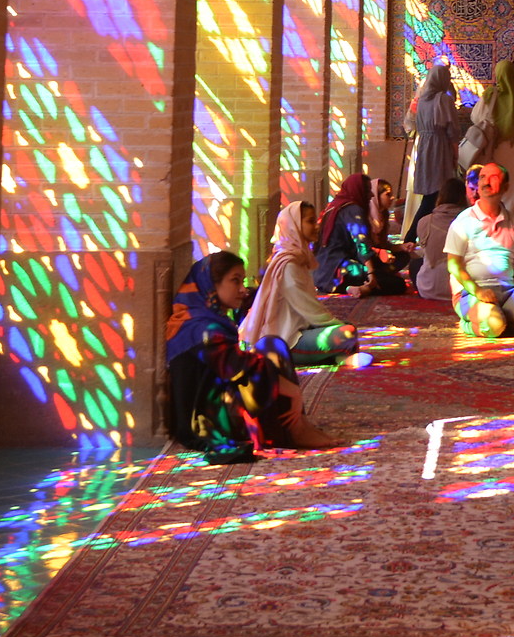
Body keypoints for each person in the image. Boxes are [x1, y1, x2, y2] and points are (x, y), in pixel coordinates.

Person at [165, 251, 344, 462]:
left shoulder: (202, 317)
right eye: (234, 281)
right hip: (213, 417)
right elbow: (238, 369)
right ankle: (295, 429)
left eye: (242, 280)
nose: (242, 289)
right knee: (269, 353)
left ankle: (297, 426)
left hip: (224, 401)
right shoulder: (200, 329)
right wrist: (292, 390)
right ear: (212, 285)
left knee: (271, 344)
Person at [239, 201, 359, 363]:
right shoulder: (288, 264)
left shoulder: (297, 257)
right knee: (346, 332)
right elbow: (310, 308)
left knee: (345, 328)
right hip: (284, 340)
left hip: (298, 329)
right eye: (310, 221)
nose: (316, 226)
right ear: (293, 225)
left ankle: (336, 356)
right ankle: (334, 357)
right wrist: (336, 325)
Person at [445, 162, 514, 337]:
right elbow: (453, 265)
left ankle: (501, 322)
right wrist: (477, 290)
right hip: (472, 292)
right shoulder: (464, 221)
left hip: (508, 291)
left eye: (493, 178)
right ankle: (469, 324)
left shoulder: (513, 221)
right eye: (482, 177)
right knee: (493, 325)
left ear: (505, 187)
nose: (486, 182)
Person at [316, 172, 404, 295]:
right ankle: (360, 287)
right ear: (358, 190)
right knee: (397, 284)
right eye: (368, 190)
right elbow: (361, 243)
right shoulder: (354, 210)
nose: (371, 194)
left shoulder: (333, 206)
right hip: (340, 268)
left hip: (321, 271)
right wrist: (371, 274)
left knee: (400, 258)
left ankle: (352, 286)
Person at [465, 60, 514, 213]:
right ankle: (513, 219)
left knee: (494, 180)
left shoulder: (491, 94)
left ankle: (492, 215)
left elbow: (475, 117)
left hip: (493, 147)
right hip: (512, 148)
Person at [409, 63, 468, 229]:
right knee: (436, 193)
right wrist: (455, 155)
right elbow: (453, 131)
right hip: (439, 148)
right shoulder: (444, 99)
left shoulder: (421, 101)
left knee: (429, 191)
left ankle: (425, 232)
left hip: (424, 147)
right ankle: (412, 236)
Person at [415, 175, 469, 299]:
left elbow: (425, 251)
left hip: (429, 287)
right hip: (461, 287)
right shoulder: (470, 221)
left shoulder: (424, 221)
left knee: (416, 264)